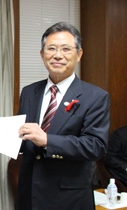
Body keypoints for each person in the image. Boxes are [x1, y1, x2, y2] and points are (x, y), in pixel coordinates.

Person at [16, 22, 110, 210]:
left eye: (66, 49)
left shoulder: (95, 97)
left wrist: (47, 140)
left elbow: (95, 146)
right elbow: (24, 139)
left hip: (69, 198)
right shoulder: (29, 92)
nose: (58, 55)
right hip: (29, 195)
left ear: (79, 54)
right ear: (42, 54)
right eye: (51, 49)